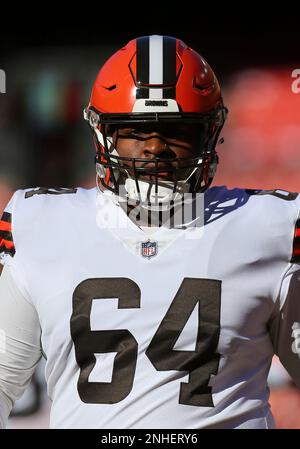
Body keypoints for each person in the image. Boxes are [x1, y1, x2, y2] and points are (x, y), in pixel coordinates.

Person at [0, 34, 299, 429]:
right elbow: (5, 378)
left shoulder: (269, 227)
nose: (155, 148)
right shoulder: (40, 222)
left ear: (207, 133)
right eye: (137, 130)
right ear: (104, 133)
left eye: (177, 130)